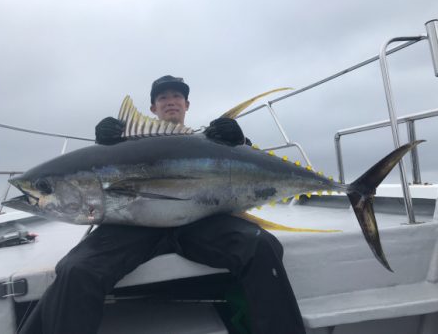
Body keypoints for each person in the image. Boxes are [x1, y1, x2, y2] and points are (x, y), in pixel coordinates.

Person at [19, 75, 306, 334]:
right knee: (76, 269)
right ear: (153, 108)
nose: (171, 102)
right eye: (163, 98)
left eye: (176, 97)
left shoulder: (210, 140)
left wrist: (239, 140)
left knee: (260, 245)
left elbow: (242, 169)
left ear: (187, 105)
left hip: (200, 220)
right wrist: (106, 146)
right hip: (132, 226)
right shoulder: (123, 143)